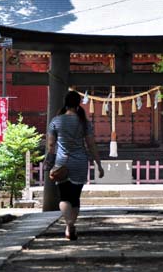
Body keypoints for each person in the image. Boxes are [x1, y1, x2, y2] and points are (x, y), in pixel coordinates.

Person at [45, 90, 104, 240]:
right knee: (75, 197)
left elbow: (51, 145)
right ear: (78, 104)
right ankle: (70, 225)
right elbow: (91, 145)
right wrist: (99, 164)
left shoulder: (56, 121)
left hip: (62, 163)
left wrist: (49, 161)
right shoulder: (84, 122)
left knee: (64, 197)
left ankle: (69, 223)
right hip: (80, 162)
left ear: (65, 104)